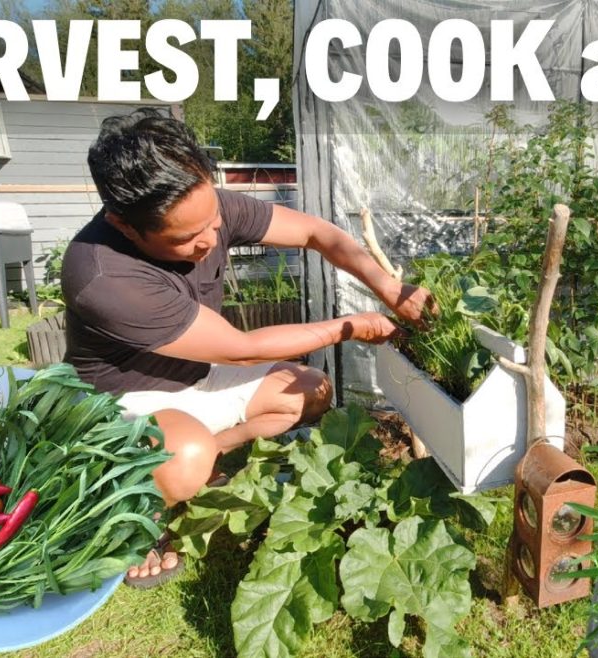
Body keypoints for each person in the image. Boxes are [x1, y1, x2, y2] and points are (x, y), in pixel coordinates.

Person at [61, 108, 436, 587]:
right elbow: (241, 349)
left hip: (197, 373)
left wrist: (387, 286)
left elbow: (319, 233)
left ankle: (204, 458)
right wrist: (350, 326)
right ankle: (135, 501)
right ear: (124, 224)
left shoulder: (202, 207)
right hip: (126, 399)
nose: (211, 239)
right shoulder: (102, 274)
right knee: (183, 462)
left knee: (311, 391)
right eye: (188, 239)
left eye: (214, 222)